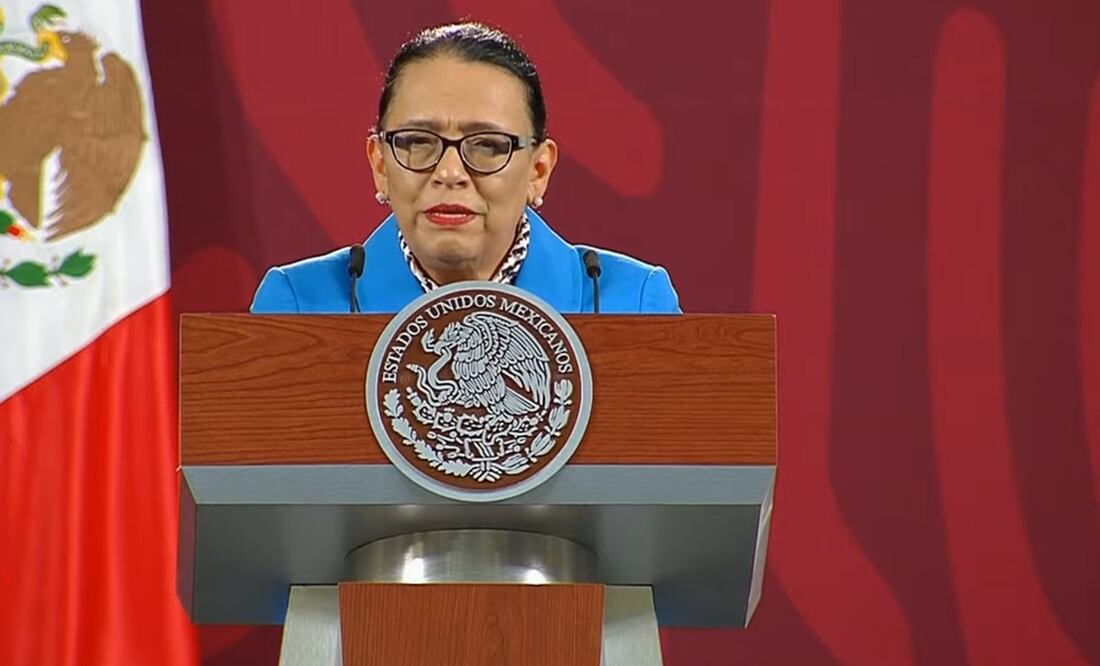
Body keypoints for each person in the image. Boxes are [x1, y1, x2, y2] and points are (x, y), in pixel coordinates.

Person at [250, 22, 680, 315]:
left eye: (488, 146)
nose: (450, 173)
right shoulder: (300, 303)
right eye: (418, 142)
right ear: (379, 164)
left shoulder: (631, 302)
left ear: (538, 169)